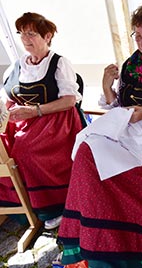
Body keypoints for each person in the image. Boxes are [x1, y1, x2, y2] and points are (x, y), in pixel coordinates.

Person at [57, 1, 142, 268]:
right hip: (131, 133)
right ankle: (100, 244)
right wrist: (106, 86)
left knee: (112, 167)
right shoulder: (131, 65)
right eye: (138, 36)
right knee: (87, 155)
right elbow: (119, 107)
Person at [0, 12, 83, 230]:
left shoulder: (58, 63)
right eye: (22, 34)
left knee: (26, 150)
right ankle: (18, 201)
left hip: (55, 122)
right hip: (25, 121)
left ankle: (54, 207)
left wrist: (34, 111)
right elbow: (8, 98)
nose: (25, 39)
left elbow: (69, 101)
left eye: (31, 34)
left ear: (47, 36)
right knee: (3, 148)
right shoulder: (17, 66)